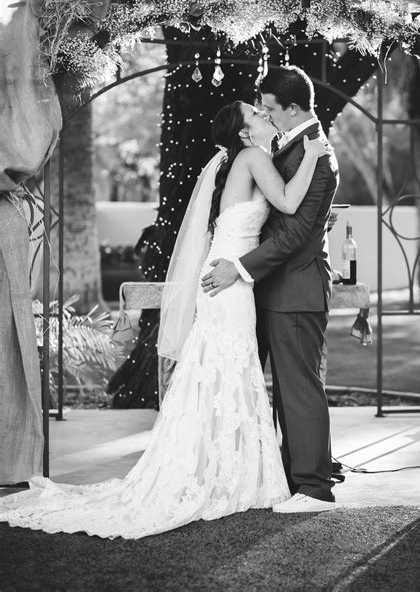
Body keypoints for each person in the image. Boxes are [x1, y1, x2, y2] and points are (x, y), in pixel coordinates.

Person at [0, 99, 329, 539]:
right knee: (228, 373)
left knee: (222, 374)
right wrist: (311, 156)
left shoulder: (245, 160)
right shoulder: (253, 158)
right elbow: (289, 204)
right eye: (257, 114)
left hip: (229, 280)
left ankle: (227, 471)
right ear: (245, 133)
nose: (265, 116)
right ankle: (228, 475)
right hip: (228, 284)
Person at [202, 66, 340, 513]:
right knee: (278, 389)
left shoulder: (316, 152)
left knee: (299, 388)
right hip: (271, 288)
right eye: (259, 109)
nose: (264, 113)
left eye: (270, 108)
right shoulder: (289, 146)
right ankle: (284, 473)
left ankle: (315, 488)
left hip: (296, 288)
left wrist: (239, 267)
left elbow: (293, 234)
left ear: (294, 109)